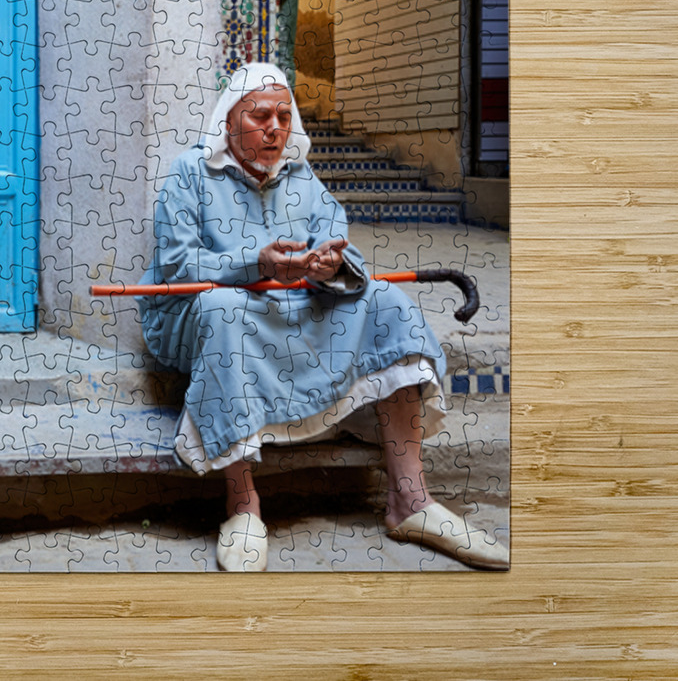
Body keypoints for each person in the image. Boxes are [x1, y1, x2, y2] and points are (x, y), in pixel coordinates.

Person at [137, 62, 509, 571]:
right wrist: (257, 262)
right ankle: (242, 506)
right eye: (260, 116)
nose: (274, 128)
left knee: (386, 303)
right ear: (229, 122)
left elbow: (339, 246)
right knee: (222, 307)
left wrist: (330, 264)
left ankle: (410, 500)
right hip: (202, 317)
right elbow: (178, 267)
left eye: (284, 116)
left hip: (289, 309)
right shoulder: (190, 173)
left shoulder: (302, 176)